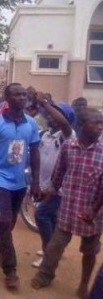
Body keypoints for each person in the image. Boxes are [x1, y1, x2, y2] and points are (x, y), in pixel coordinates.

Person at [31, 108, 103, 298]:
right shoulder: (68, 147)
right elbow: (59, 173)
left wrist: (94, 209)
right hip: (68, 207)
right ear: (81, 125)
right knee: (55, 246)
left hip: (92, 215)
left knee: (89, 252)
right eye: (96, 123)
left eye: (101, 123)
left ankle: (83, 284)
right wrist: (49, 192)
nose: (100, 127)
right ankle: (44, 276)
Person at [0, 83, 41, 289]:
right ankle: (10, 270)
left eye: (24, 95)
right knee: (5, 221)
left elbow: (34, 152)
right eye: (17, 94)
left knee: (6, 223)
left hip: (19, 181)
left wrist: (35, 181)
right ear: (7, 98)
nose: (22, 98)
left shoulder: (31, 124)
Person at [31, 94, 75, 268]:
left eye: (55, 114)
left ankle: (49, 254)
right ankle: (53, 248)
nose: (50, 116)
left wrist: (47, 104)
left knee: (41, 215)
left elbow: (64, 123)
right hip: (46, 187)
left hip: (59, 189)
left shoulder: (67, 136)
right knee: (53, 219)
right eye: (49, 113)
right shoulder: (45, 135)